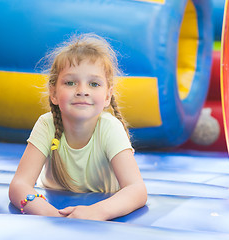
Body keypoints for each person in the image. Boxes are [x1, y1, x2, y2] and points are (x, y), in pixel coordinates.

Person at [9, 33, 147, 221]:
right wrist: (50, 214)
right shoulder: (46, 124)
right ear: (54, 93)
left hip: (101, 209)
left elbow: (137, 189)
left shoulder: (109, 128)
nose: (82, 91)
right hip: (55, 208)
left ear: (107, 95)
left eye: (94, 84)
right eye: (70, 82)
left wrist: (98, 211)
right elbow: (19, 184)